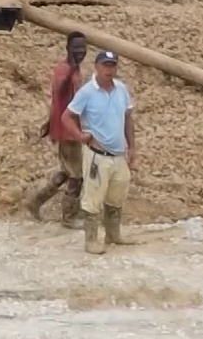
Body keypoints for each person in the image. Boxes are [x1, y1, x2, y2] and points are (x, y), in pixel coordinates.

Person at [61, 49, 139, 255]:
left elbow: (128, 118)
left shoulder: (121, 89)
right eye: (105, 65)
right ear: (96, 66)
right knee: (93, 198)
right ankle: (91, 239)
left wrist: (132, 147)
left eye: (112, 65)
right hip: (97, 155)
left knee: (117, 196)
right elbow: (67, 116)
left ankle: (113, 234)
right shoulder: (87, 92)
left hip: (118, 155)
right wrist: (79, 136)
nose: (109, 69)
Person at [21, 31, 88, 226]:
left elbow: (58, 100)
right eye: (76, 48)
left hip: (68, 128)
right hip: (68, 132)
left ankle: (36, 201)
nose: (80, 51)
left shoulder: (74, 70)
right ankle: (69, 217)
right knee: (77, 175)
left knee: (66, 172)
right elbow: (59, 90)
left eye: (83, 48)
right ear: (68, 49)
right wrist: (71, 69)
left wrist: (50, 122)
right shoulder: (65, 70)